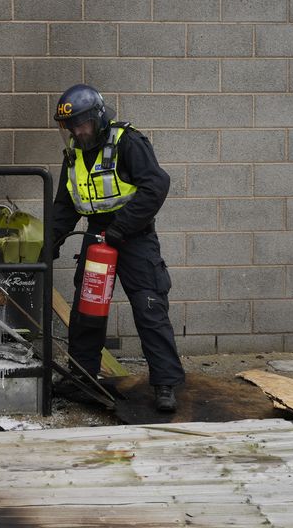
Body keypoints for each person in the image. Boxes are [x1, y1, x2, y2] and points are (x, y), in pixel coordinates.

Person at [51, 84, 184, 413]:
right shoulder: (74, 154)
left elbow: (156, 185)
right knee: (87, 311)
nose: (77, 131)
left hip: (135, 236)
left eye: (82, 124)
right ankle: (83, 375)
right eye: (71, 126)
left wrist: (120, 229)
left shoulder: (128, 142)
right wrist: (47, 245)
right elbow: (64, 208)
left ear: (97, 118)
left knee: (149, 307)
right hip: (97, 237)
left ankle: (165, 384)